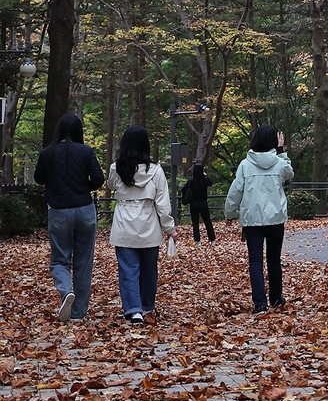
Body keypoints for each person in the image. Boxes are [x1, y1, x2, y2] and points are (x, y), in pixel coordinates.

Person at [34, 113, 104, 322]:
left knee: (59, 260)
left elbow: (39, 179)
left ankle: (66, 291)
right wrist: (83, 188)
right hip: (84, 209)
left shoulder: (47, 153)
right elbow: (98, 179)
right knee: (84, 261)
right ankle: (78, 313)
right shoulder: (86, 151)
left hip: (59, 210)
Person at [107, 125, 177, 324]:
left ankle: (133, 308)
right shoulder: (155, 171)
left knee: (128, 269)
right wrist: (170, 228)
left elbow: (111, 185)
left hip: (124, 223)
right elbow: (163, 203)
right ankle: (147, 305)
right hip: (148, 223)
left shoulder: (116, 168)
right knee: (149, 269)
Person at [224, 125, 294, 315]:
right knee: (274, 260)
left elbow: (235, 191)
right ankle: (276, 298)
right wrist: (281, 152)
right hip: (275, 219)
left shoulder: (245, 165)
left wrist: (230, 213)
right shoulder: (279, 163)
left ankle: (259, 303)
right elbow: (290, 174)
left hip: (252, 221)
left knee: (255, 261)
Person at [189, 161, 216, 246]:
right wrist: (205, 174)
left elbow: (186, 188)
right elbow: (211, 183)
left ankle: (197, 241)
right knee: (207, 221)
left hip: (194, 203)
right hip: (203, 202)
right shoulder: (205, 179)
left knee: (195, 223)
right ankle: (212, 239)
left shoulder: (191, 180)